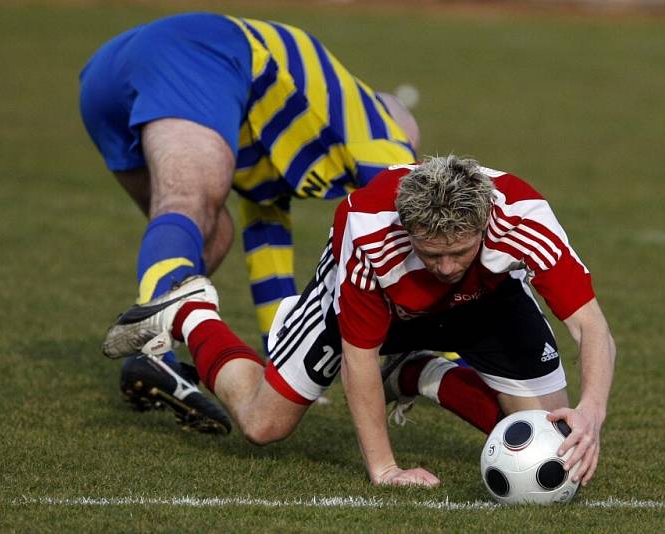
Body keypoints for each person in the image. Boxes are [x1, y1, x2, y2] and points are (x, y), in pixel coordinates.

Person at [102, 154, 616, 487]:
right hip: (381, 310)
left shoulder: (523, 217)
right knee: (263, 426)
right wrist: (385, 469)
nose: (444, 267)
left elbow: (591, 326)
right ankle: (190, 310)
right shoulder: (370, 232)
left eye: (458, 251)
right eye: (430, 253)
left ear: (484, 225)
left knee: (553, 442)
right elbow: (358, 356)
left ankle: (416, 371)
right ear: (406, 227)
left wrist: (591, 412)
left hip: (488, 302)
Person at [79, 13, 420, 432]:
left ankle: (152, 358)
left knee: (211, 231)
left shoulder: (293, 144)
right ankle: (165, 344)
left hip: (104, 81)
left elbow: (267, 246)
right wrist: (454, 350)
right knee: (187, 202)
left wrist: (281, 365)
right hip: (201, 49)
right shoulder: (376, 126)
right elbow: (421, 223)